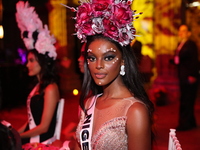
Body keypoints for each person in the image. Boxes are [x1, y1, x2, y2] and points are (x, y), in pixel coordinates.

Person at [64, 0, 154, 149]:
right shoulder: (89, 103)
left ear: (123, 61)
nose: (98, 65)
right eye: (92, 58)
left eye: (108, 57)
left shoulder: (135, 111)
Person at [15, 1, 60, 145]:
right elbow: (31, 122)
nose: (27, 64)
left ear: (42, 62)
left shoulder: (51, 88)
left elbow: (44, 127)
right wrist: (14, 132)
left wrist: (18, 137)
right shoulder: (38, 87)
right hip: (35, 141)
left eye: (31, 60)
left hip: (44, 144)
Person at [173, 24, 199, 131]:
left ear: (189, 33)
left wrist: (193, 75)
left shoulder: (191, 44)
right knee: (186, 98)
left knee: (187, 100)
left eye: (183, 31)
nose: (181, 33)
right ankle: (191, 121)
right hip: (182, 75)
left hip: (189, 76)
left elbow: (194, 61)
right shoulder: (181, 43)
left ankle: (185, 124)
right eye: (180, 31)